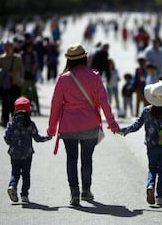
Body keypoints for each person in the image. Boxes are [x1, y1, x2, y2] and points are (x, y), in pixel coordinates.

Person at [47, 44, 119, 206]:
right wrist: (112, 123)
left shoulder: (63, 78)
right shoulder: (94, 76)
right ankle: (86, 190)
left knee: (71, 159)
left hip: (68, 126)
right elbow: (104, 102)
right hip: (89, 124)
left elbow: (56, 105)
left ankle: (74, 192)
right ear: (84, 58)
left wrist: (52, 129)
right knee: (87, 159)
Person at [4, 97, 51, 203]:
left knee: (15, 172)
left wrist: (11, 144)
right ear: (28, 110)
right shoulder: (30, 124)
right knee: (26, 174)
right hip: (27, 153)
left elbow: (6, 138)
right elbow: (37, 138)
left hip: (14, 153)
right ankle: (24, 195)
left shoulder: (11, 124)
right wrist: (48, 137)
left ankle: (12, 186)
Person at [0, 41, 24, 127]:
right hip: (5, 84)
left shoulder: (18, 58)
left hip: (15, 83)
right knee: (5, 103)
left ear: (12, 48)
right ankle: (4, 120)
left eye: (8, 47)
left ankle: (14, 121)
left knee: (15, 103)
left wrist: (21, 80)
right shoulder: (1, 58)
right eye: (5, 47)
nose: (7, 49)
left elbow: (22, 70)